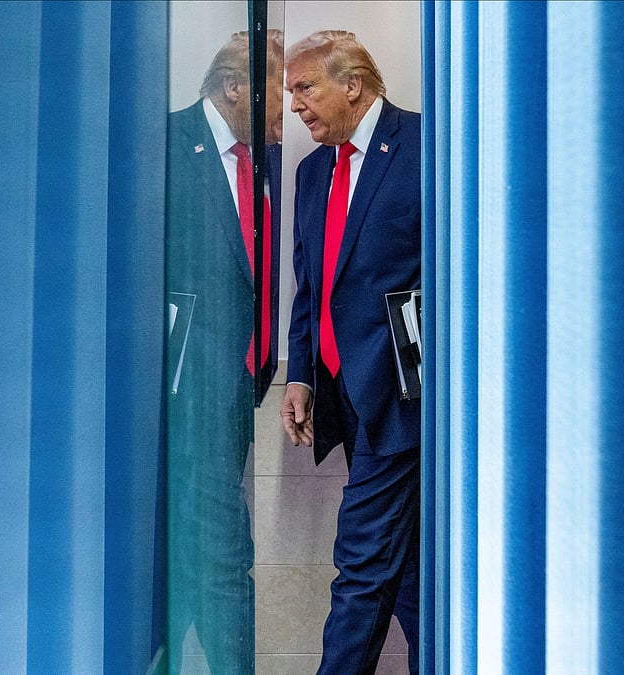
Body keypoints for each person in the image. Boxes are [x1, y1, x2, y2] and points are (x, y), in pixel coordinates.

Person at [280, 30, 421, 675]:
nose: (295, 107)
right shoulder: (311, 173)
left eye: (304, 89)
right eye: (289, 94)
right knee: (407, 570)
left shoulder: (424, 146)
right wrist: (301, 378)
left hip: (403, 397)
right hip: (343, 394)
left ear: (353, 85)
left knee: (361, 561)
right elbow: (309, 285)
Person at [164, 28, 284, 674]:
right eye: (274, 91)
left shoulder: (256, 164)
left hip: (234, 394)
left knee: (196, 561)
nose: (286, 108)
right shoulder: (166, 145)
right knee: (221, 559)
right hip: (185, 395)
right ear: (235, 87)